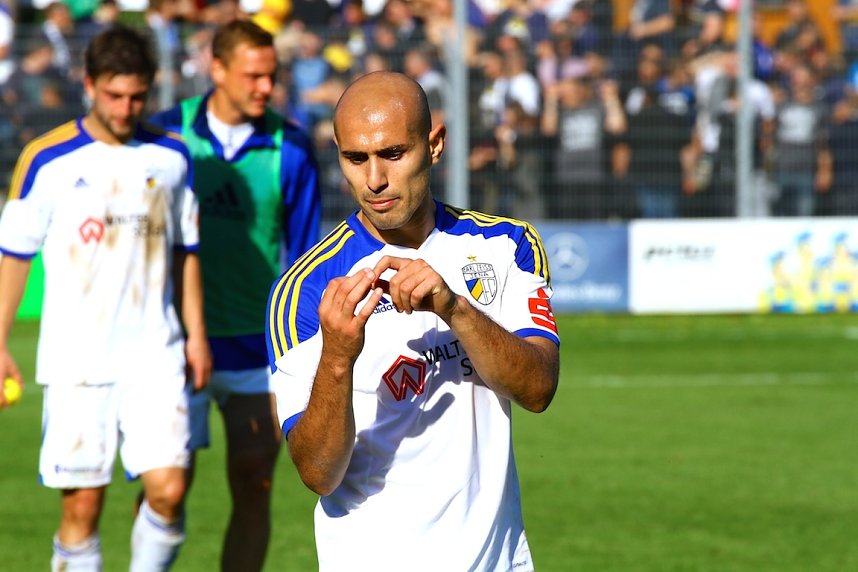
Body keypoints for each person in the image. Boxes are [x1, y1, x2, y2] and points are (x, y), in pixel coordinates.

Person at [265, 71, 560, 571]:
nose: (374, 179)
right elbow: (317, 473)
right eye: (355, 158)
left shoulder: (506, 246)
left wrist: (455, 309)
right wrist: (337, 357)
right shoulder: (304, 290)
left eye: (393, 154)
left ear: (435, 144)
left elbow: (538, 390)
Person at [0, 25, 210, 570]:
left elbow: (187, 252)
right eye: (114, 95)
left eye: (137, 97)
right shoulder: (46, 160)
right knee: (82, 507)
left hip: (157, 354)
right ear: (89, 84)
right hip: (77, 363)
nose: (125, 108)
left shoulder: (172, 157)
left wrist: (197, 337)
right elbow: (14, 256)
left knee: (169, 490)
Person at [145, 19, 321, 572]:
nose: (267, 87)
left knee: (255, 478)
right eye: (253, 76)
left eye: (273, 75)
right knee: (165, 489)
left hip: (254, 346)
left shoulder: (292, 147)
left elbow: (305, 257)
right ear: (216, 69)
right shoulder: (166, 137)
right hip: (174, 341)